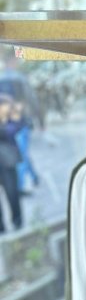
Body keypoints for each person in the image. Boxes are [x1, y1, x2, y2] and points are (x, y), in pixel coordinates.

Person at [0, 95, 22, 233]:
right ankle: (1, 226)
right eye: (6, 105)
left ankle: (17, 220)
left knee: (12, 193)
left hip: (8, 162)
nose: (9, 108)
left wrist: (14, 119)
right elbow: (6, 132)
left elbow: (14, 130)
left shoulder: (9, 119)